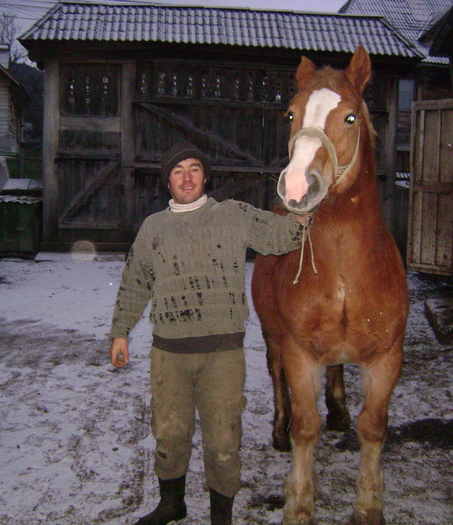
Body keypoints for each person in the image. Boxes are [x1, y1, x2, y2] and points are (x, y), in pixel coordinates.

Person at [108, 141, 307, 525]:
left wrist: (303, 209)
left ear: (205, 176)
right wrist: (120, 332)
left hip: (222, 356)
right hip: (169, 354)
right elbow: (135, 281)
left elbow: (282, 236)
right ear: (167, 181)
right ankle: (172, 504)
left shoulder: (232, 215)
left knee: (223, 440)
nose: (187, 176)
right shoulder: (154, 227)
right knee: (169, 435)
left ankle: (221, 516)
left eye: (194, 168)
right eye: (178, 170)